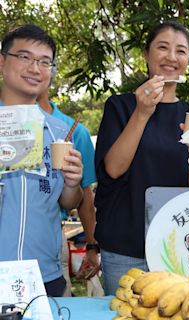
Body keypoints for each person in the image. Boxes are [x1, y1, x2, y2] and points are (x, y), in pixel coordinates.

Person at [94, 20, 189, 295]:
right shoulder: (121, 106)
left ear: (188, 60)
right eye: (163, 47)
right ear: (147, 54)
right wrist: (142, 112)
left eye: (181, 51)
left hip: (179, 248)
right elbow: (113, 169)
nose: (172, 57)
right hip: (126, 250)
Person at [0, 24, 83, 296]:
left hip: (43, 275)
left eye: (44, 62)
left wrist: (72, 183)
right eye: (24, 57)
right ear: (2, 61)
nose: (35, 68)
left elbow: (68, 202)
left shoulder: (60, 132)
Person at [37, 89, 99, 296]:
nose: (33, 69)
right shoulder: (6, 121)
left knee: (56, 305)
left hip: (53, 238)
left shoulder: (74, 131)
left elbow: (85, 194)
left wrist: (91, 245)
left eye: (43, 61)